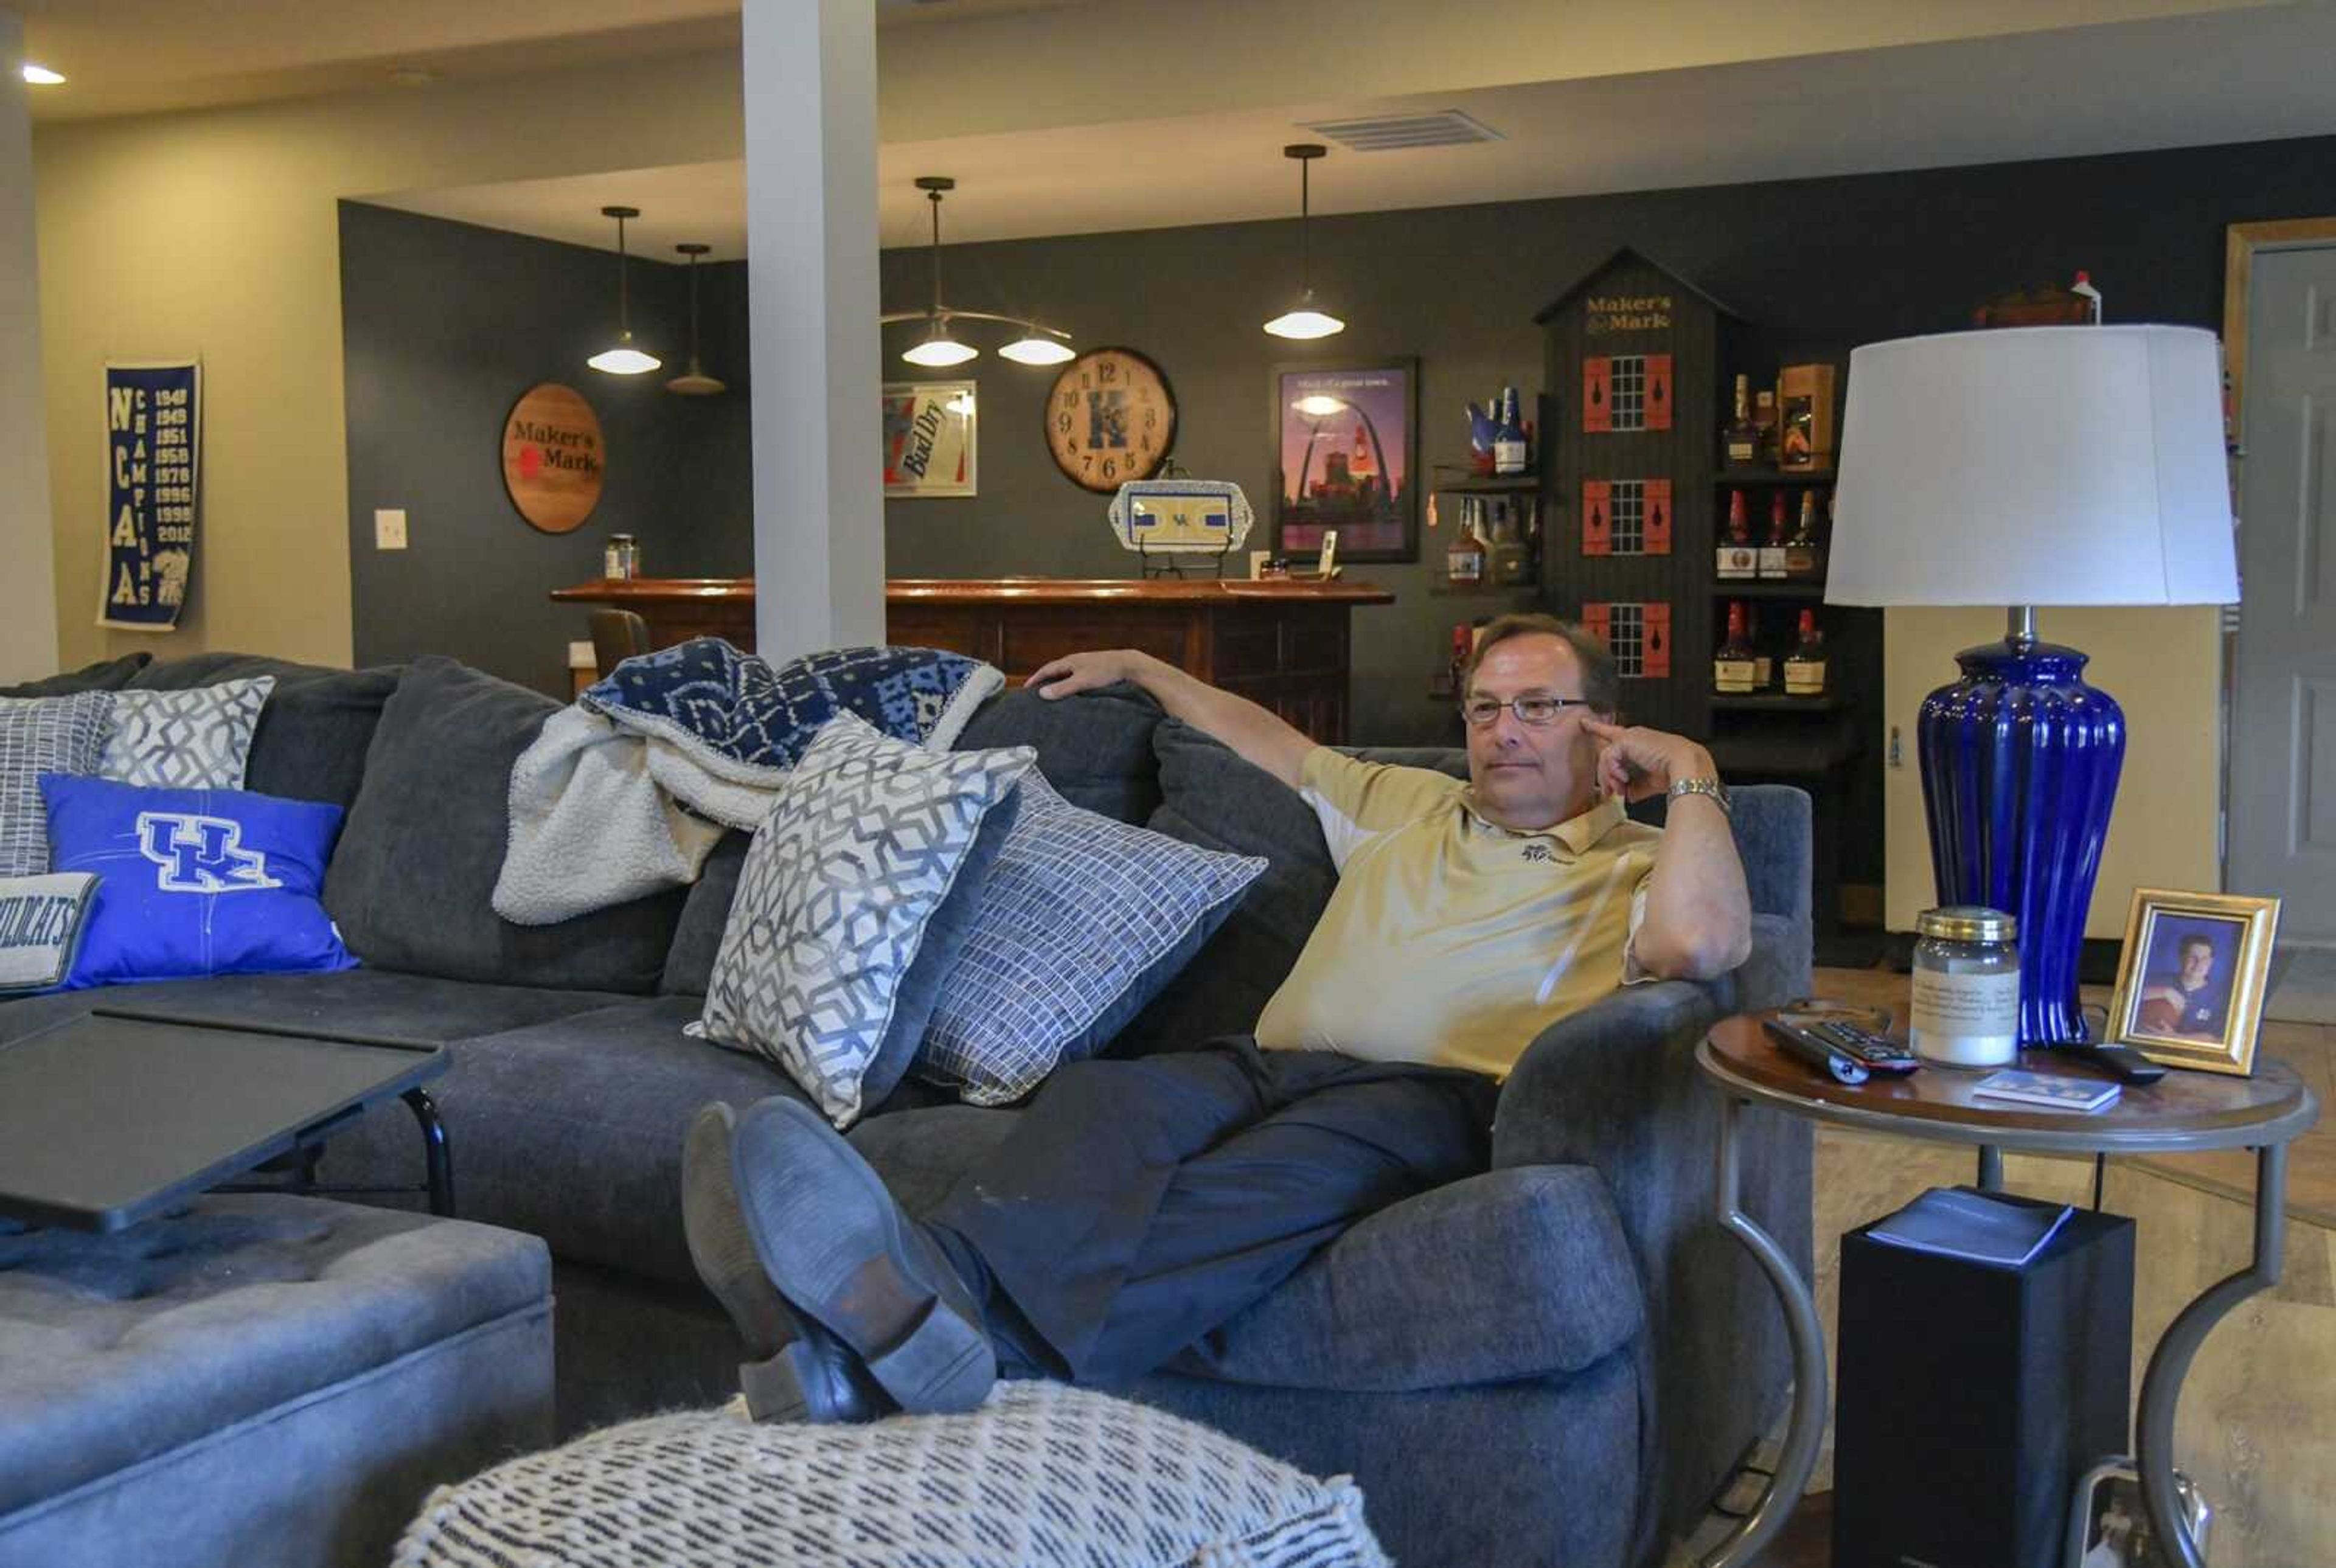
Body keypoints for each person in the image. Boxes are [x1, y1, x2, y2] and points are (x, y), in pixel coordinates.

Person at [683, 615, 1753, 1423]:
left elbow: (1701, 949)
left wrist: (1694, 773)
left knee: (1255, 1185)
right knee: (1109, 1100)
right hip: (1264, 1059)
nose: (1502, 731)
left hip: (1428, 1097)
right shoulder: (1410, 801)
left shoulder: (1641, 860)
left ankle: (901, 1343)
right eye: (1483, 707)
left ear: (1605, 727)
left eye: (1536, 706)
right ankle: (920, 1321)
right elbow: (1272, 743)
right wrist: (1148, 670)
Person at [2137, 932, 2225, 1040]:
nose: (2198, 963)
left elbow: (2216, 1039)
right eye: (2193, 958)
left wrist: (2176, 1037)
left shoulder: (2220, 997)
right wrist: (2164, 992)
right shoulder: (2159, 980)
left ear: (2211, 962)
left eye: (2204, 959)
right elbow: (2127, 996)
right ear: (2181, 958)